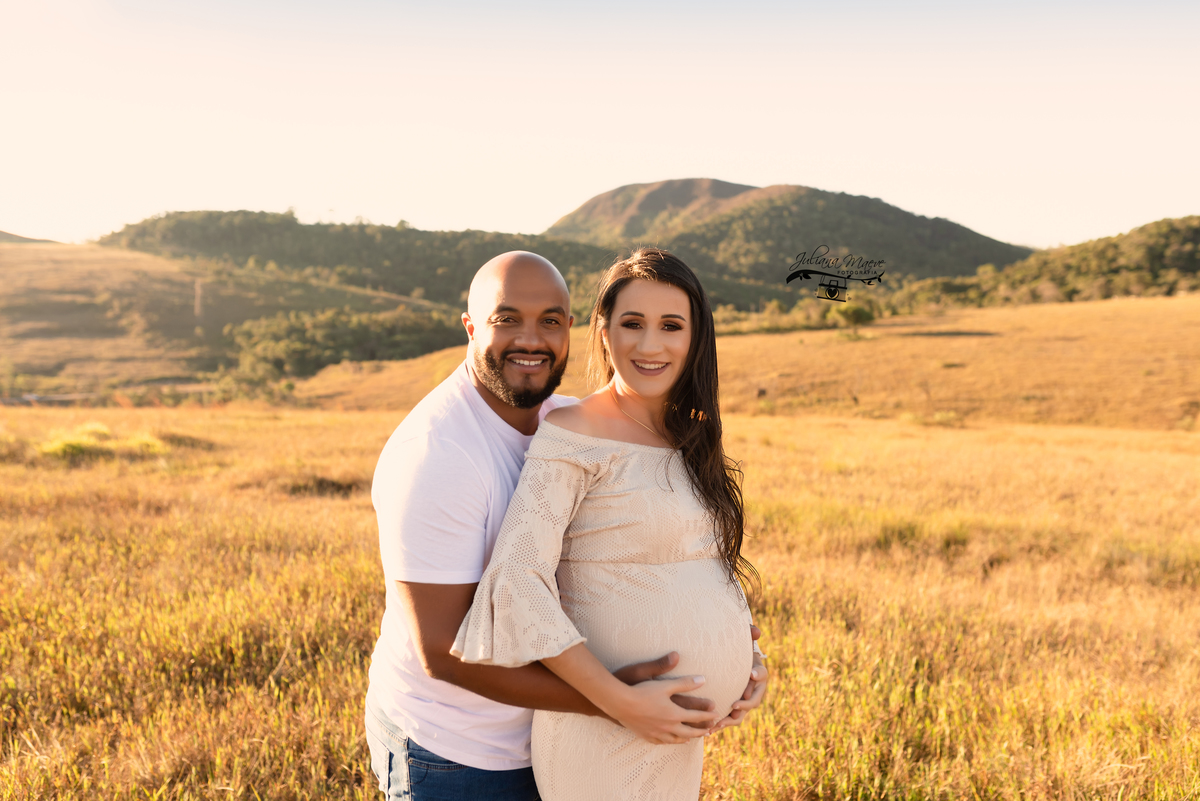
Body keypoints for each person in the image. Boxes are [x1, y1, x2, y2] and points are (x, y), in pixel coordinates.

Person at [365, 251, 767, 800]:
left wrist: (738, 654)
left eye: (550, 320)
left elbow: (664, 557)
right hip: (461, 751)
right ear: (470, 326)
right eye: (507, 319)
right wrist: (616, 700)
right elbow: (441, 651)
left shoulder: (575, 417)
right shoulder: (438, 454)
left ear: (573, 329)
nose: (531, 339)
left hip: (584, 725)